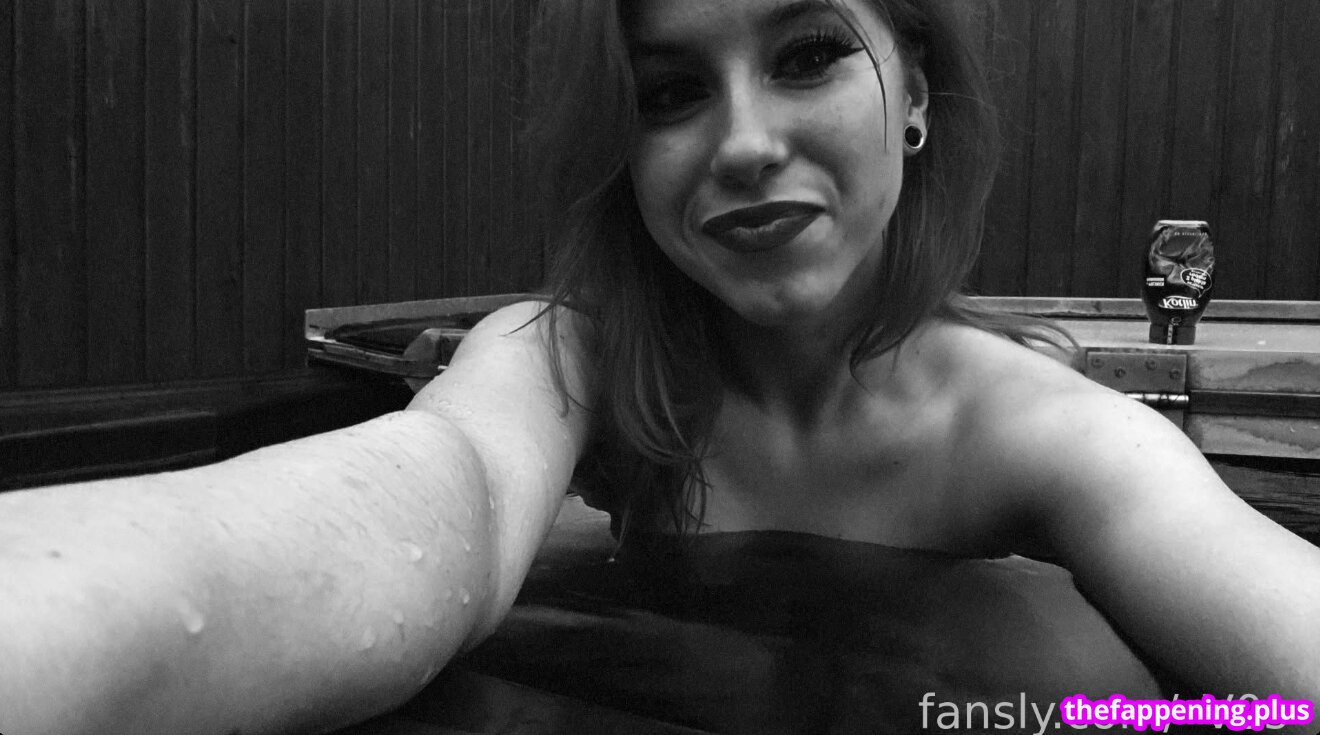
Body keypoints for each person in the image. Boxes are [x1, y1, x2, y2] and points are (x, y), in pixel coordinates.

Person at [1, 0, 1317, 733]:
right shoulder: (561, 358)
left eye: (808, 56)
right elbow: (433, 486)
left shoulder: (1056, 434)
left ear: (915, 92)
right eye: (671, 91)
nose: (742, 143)